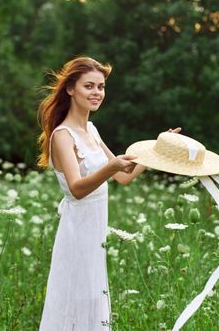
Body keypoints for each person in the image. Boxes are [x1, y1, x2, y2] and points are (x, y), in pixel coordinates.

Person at [36, 56, 181, 330]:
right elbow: (78, 189)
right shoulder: (62, 135)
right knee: (76, 297)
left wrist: (158, 149)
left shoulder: (91, 129)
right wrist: (111, 164)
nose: (96, 93)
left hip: (95, 232)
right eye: (88, 86)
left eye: (101, 87)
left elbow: (124, 176)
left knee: (93, 297)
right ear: (70, 89)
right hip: (77, 231)